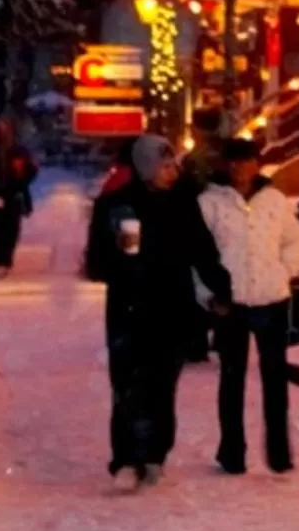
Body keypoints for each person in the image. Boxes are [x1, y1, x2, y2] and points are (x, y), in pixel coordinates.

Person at [85, 135, 232, 491]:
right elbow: (95, 263)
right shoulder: (115, 206)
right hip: (129, 307)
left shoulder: (183, 204)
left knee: (162, 384)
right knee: (129, 384)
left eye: (173, 165)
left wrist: (221, 290)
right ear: (146, 168)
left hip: (173, 306)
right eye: (165, 166)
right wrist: (121, 260)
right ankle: (125, 458)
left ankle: (154, 454)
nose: (172, 172)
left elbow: (203, 251)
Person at [198, 138, 299, 476]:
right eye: (232, 162)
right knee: (232, 381)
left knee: (275, 380)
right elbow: (197, 256)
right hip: (230, 304)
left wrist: (285, 271)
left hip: (272, 300)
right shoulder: (209, 203)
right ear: (224, 165)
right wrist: (208, 294)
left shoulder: (274, 201)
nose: (239, 169)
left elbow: (294, 240)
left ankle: (279, 453)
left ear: (256, 165)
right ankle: (232, 452)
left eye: (245, 162)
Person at [0, 117, 38, 273]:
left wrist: (22, 174)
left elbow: (32, 170)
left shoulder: (19, 150)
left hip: (13, 192)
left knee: (12, 228)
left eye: (5, 130)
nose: (2, 134)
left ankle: (6, 259)